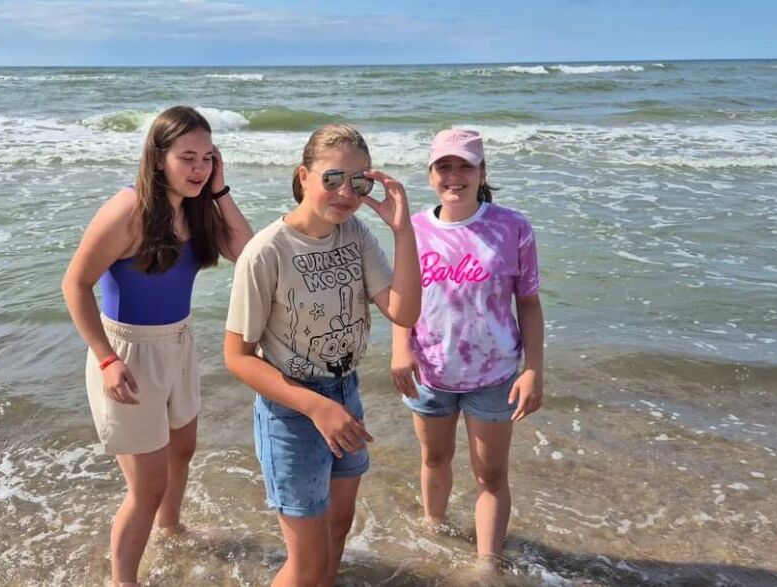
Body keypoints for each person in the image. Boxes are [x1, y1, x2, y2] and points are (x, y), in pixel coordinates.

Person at [61, 105, 252, 587]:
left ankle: (170, 530)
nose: (198, 168)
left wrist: (219, 191)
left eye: (207, 158)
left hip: (178, 341)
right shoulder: (128, 211)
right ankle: (123, 580)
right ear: (158, 157)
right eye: (187, 158)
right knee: (147, 486)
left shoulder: (197, 208)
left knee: (182, 449)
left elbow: (248, 254)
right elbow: (74, 284)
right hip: (127, 352)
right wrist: (106, 359)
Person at [223, 123, 421, 587]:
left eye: (359, 181)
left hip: (345, 395)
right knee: (307, 563)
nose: (346, 192)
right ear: (303, 176)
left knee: (336, 534)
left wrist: (402, 230)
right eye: (332, 178)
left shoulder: (355, 234)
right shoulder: (266, 252)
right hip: (292, 411)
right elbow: (237, 357)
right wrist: (316, 407)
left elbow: (405, 311)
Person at [390, 128, 544, 571]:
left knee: (490, 475)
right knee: (434, 458)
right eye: (444, 166)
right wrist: (400, 349)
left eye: (465, 166)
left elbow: (528, 303)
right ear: (430, 174)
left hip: (494, 375)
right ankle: (434, 532)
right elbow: (402, 298)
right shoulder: (413, 229)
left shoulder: (512, 227)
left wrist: (533, 369)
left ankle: (486, 565)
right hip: (430, 372)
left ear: (482, 172)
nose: (454, 176)